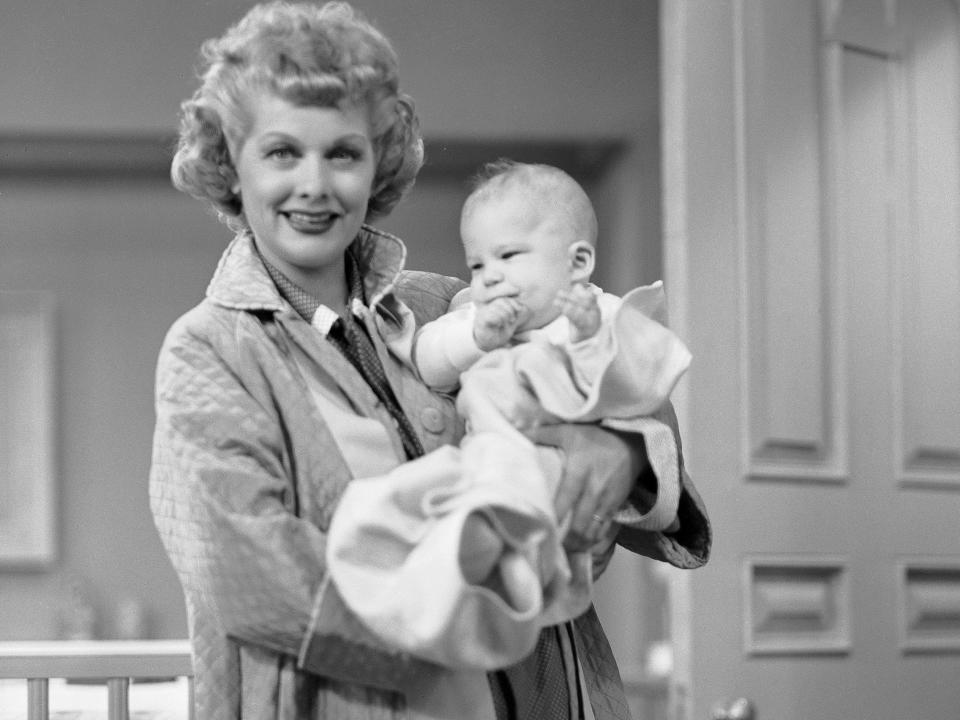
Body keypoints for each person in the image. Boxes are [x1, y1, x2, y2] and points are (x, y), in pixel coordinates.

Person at [148, 2, 711, 719]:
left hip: (550, 692)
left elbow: (619, 374)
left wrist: (619, 451)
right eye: (282, 152)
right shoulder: (209, 351)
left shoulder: (450, 305)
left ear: (377, 162)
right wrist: (471, 621)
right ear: (233, 166)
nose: (315, 184)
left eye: (343, 153)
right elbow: (250, 580)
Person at [326, 160, 693, 669]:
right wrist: (478, 336)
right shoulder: (468, 312)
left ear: (578, 262)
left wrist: (619, 428)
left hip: (548, 466)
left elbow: (643, 387)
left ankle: (480, 566)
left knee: (518, 521)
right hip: (490, 453)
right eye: (477, 265)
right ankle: (407, 554)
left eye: (508, 256)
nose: (489, 276)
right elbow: (430, 361)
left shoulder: (600, 314)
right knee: (443, 492)